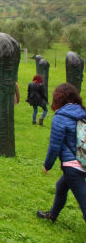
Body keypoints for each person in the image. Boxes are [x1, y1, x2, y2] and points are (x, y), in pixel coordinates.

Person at [37, 83, 86, 223]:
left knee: (83, 200)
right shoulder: (81, 112)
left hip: (73, 166)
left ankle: (52, 215)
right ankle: (52, 215)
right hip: (83, 160)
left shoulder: (60, 117)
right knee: (61, 186)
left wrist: (47, 165)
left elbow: (54, 147)